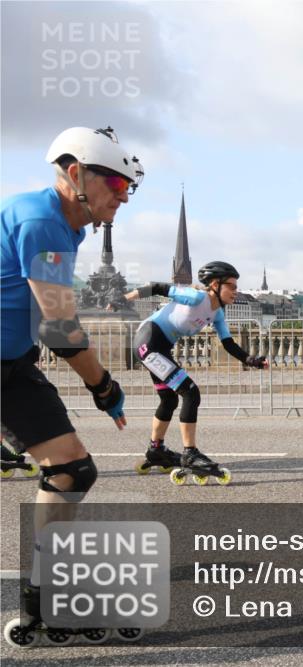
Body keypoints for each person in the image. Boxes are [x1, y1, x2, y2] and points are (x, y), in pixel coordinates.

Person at [2, 126, 142, 646]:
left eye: (129, 188)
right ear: (76, 174)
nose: (123, 197)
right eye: (116, 184)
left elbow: (48, 315)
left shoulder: (71, 226)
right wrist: (103, 386)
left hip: (12, 362)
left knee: (71, 470)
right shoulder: (41, 219)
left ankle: (46, 596)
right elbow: (61, 326)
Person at [123, 261, 266, 484]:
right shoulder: (196, 297)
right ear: (216, 285)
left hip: (161, 348)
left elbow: (228, 343)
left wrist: (251, 360)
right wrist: (124, 298)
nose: (236, 291)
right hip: (148, 342)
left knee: (169, 399)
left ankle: (156, 450)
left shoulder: (217, 313)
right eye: (232, 286)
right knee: (190, 392)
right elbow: (158, 287)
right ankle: (190, 452)